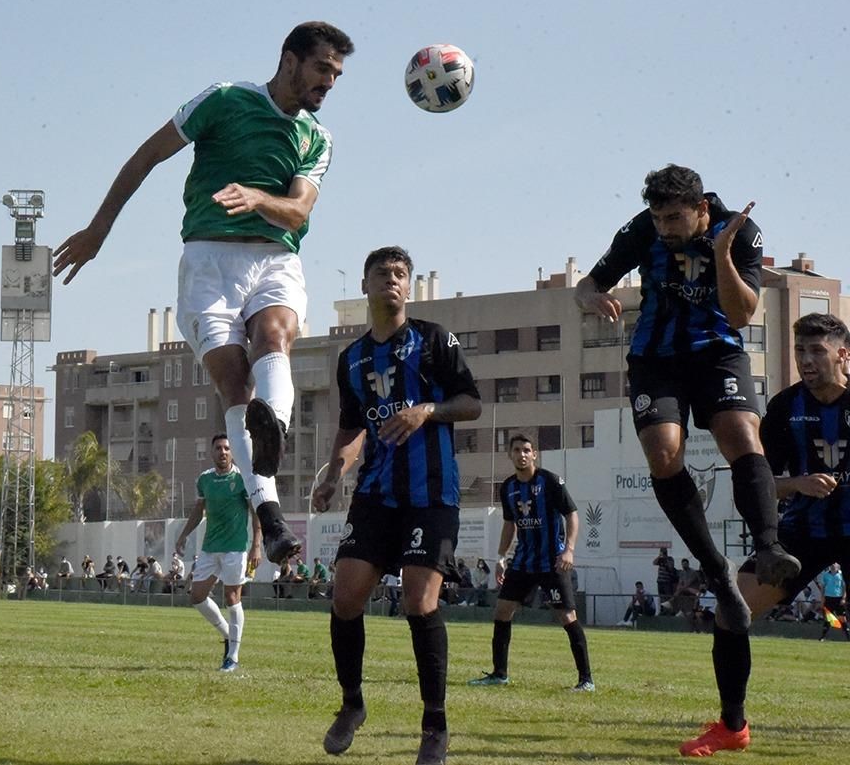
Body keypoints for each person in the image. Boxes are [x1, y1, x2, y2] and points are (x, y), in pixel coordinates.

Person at [54, 22, 355, 567]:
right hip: (208, 261)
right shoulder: (224, 100)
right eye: (322, 68)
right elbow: (146, 156)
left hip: (274, 257)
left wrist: (257, 197)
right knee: (232, 381)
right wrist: (99, 229)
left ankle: (275, 427)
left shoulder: (318, 138)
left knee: (275, 338)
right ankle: (270, 514)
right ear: (290, 60)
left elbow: (299, 210)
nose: (329, 82)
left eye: (336, 74)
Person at [575, 164, 800, 635]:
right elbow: (587, 284)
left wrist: (721, 255)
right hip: (656, 357)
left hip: (717, 352)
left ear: (701, 209)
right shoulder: (641, 231)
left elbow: (740, 315)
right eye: (658, 219)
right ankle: (716, 570)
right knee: (663, 454)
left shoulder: (741, 232)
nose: (664, 229)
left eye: (673, 219)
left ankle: (767, 547)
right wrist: (591, 298)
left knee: (741, 434)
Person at [311, 246, 481, 765]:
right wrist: (335, 471)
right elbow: (351, 425)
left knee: (419, 600)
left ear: (410, 287)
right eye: (383, 273)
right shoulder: (352, 359)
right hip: (376, 493)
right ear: (365, 285)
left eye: (401, 274)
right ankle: (351, 705)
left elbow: (471, 402)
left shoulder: (434, 339)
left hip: (431, 495)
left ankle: (435, 725)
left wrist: (426, 410)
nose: (393, 279)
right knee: (345, 598)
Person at [680, 313, 850, 756]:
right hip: (802, 531)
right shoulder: (785, 407)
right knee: (731, 612)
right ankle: (732, 727)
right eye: (800, 351)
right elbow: (757, 482)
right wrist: (798, 485)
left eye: (817, 351)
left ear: (843, 355)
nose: (806, 360)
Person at [468, 435, 595, 692]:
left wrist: (569, 550)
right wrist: (501, 556)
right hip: (523, 561)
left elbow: (572, 514)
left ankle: (586, 680)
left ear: (534, 454)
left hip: (552, 561)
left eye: (526, 450)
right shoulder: (508, 488)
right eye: (517, 450)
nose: (522, 454)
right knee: (502, 611)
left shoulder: (550, 481)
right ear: (510, 455)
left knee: (567, 616)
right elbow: (509, 524)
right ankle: (499, 674)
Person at [175, 433, 263, 672]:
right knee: (197, 596)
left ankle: (232, 657)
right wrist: (183, 534)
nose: (222, 452)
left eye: (226, 448)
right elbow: (198, 510)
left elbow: (255, 513)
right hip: (209, 548)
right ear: (212, 452)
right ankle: (227, 634)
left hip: (235, 548)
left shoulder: (243, 478)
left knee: (232, 599)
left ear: (231, 452)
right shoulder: (205, 480)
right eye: (218, 448)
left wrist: (256, 545)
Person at [818, 563, 849, 641]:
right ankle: (823, 637)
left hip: (838, 599)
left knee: (842, 618)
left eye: (834, 563)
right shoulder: (825, 575)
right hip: (828, 598)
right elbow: (823, 588)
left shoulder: (841, 575)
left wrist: (843, 598)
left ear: (838, 565)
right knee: (828, 619)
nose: (833, 565)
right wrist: (822, 600)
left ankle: (848, 637)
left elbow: (844, 587)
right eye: (831, 564)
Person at [653, 547, 678, 613]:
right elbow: (654, 563)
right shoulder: (660, 559)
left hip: (667, 582)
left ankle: (671, 611)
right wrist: (659, 556)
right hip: (660, 581)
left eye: (664, 551)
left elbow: (671, 568)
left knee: (668, 597)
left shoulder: (670, 559)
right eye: (661, 551)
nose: (663, 552)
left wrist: (665, 559)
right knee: (661, 597)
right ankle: (663, 610)